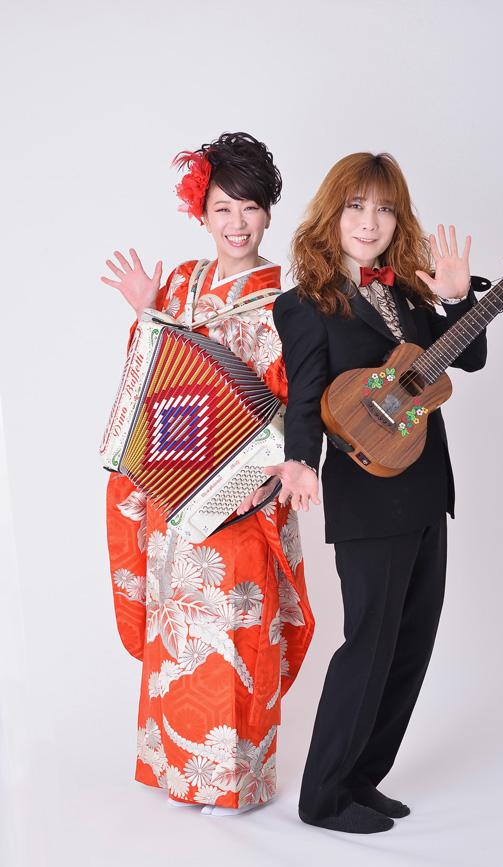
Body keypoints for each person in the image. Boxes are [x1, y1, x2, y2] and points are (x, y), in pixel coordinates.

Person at [267, 152, 488, 833]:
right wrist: (301, 461)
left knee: (411, 644)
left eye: (385, 209)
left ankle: (362, 777)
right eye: (357, 206)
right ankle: (323, 796)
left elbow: (470, 358)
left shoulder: (414, 294)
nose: (370, 222)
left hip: (425, 486)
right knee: (368, 643)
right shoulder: (304, 304)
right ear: (333, 214)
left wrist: (457, 298)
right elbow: (306, 396)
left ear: (399, 219)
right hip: (366, 494)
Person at [101, 132, 313, 815]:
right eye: (223, 207)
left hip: (246, 495)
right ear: (203, 213)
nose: (236, 223)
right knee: (178, 628)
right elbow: (152, 377)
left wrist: (273, 473)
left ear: (268, 213)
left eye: (249, 207)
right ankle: (176, 772)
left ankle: (235, 782)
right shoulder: (181, 285)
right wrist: (147, 313)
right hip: (175, 487)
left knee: (239, 630)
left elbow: (298, 401)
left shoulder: (288, 301)